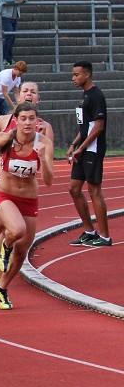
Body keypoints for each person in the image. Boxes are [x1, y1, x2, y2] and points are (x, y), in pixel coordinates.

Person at [0, 102, 54, 309]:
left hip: (29, 200)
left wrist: (42, 158)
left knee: (22, 253)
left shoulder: (44, 143)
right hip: (5, 193)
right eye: (23, 118)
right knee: (17, 230)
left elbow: (49, 181)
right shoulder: (6, 138)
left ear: (38, 121)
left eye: (32, 118)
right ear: (16, 120)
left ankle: (2, 288)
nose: (28, 123)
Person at [66, 60, 111, 247]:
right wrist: (74, 143)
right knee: (74, 189)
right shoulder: (84, 97)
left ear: (87, 75)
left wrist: (81, 147)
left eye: (76, 75)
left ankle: (105, 236)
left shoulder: (96, 96)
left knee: (94, 191)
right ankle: (89, 231)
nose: (73, 78)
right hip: (83, 148)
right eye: (72, 75)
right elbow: (85, 127)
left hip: (93, 150)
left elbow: (98, 128)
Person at [0, 0, 27, 65]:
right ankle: (2, 58)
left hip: (14, 16)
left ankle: (9, 58)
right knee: (9, 36)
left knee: (12, 38)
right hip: (6, 16)